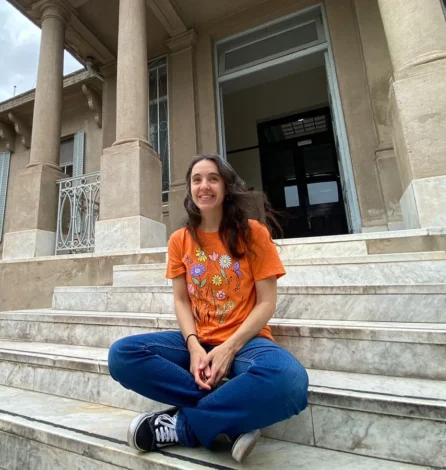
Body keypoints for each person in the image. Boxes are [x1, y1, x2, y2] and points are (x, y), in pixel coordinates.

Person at [107, 154, 309, 463]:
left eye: (213, 178)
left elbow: (267, 302)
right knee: (122, 355)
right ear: (189, 190)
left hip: (246, 343)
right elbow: (181, 300)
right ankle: (231, 419)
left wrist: (229, 348)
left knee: (289, 381)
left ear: (226, 186)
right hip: (197, 338)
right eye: (197, 180)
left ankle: (184, 425)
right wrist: (193, 347)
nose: (205, 186)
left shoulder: (253, 233)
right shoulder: (180, 240)